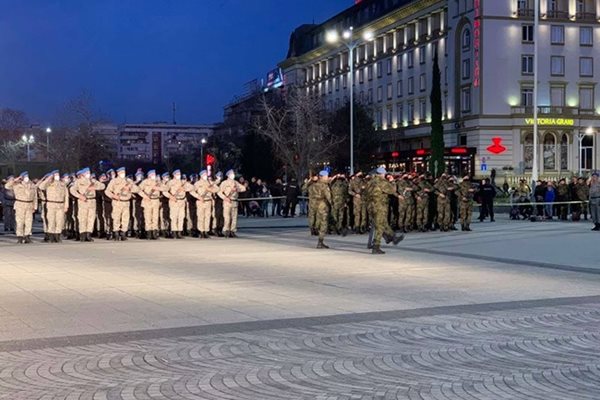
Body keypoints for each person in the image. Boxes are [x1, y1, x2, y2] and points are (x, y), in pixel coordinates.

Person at [366, 167, 404, 254]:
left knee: (383, 223)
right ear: (382, 174)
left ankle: (393, 238)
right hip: (379, 206)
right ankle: (376, 246)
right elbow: (392, 190)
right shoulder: (382, 182)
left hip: (371, 206)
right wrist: (392, 181)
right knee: (380, 226)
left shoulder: (370, 181)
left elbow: (365, 194)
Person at [69, 168, 105, 242]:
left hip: (92, 201)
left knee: (91, 218)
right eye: (87, 173)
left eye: (89, 172)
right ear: (83, 174)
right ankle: (82, 234)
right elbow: (72, 190)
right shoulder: (78, 181)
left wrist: (94, 185)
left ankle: (88, 234)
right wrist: (79, 196)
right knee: (83, 218)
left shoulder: (92, 181)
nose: (89, 174)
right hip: (83, 201)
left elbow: (102, 186)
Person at [4, 172, 37, 244]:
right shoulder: (16, 184)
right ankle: (20, 237)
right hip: (20, 205)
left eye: (27, 176)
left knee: (29, 222)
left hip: (29, 205)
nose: (26, 178)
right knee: (20, 222)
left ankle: (27, 236)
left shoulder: (32, 185)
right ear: (21, 177)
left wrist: (35, 206)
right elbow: (7, 186)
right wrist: (15, 180)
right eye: (24, 176)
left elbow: (35, 197)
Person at [37, 170, 69, 243]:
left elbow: (66, 195)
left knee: (59, 221)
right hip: (51, 204)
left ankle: (57, 236)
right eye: (55, 175)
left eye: (58, 174)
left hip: (60, 204)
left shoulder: (62, 184)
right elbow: (41, 187)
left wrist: (66, 206)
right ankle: (51, 236)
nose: (57, 176)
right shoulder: (49, 183)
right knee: (51, 220)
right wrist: (49, 178)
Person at [164, 170, 193, 239]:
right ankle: (174, 232)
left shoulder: (182, 182)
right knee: (174, 217)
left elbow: (192, 187)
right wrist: (170, 196)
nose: (179, 175)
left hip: (182, 201)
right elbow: (164, 191)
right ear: (174, 175)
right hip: (174, 201)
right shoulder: (170, 182)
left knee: (181, 217)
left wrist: (185, 189)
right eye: (177, 174)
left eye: (179, 174)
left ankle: (179, 232)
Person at [190, 170, 219, 238]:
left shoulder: (209, 182)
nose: (206, 175)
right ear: (201, 175)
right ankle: (201, 231)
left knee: (207, 217)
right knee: (201, 217)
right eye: (204, 174)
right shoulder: (197, 183)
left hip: (208, 201)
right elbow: (192, 191)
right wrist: (198, 197)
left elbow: (217, 189)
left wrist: (211, 189)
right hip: (200, 201)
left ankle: (206, 231)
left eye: (206, 174)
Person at [218, 169, 246, 237]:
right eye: (231, 174)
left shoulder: (235, 182)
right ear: (228, 175)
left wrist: (237, 189)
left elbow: (243, 188)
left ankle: (232, 231)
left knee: (234, 218)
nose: (233, 175)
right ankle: (226, 230)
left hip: (234, 201)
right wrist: (225, 198)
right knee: (227, 217)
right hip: (227, 201)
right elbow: (219, 192)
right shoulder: (224, 183)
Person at [139, 170, 164, 240]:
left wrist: (158, 188)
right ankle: (149, 233)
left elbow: (165, 188)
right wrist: (144, 196)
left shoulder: (158, 182)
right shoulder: (145, 182)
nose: (154, 175)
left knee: (155, 217)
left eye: (154, 174)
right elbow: (138, 190)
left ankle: (154, 233)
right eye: (152, 174)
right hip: (148, 201)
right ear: (149, 175)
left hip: (156, 200)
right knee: (148, 217)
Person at [310, 170, 333, 249]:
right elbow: (329, 197)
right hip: (322, 206)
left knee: (318, 221)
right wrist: (332, 205)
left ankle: (315, 228)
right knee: (324, 224)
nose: (327, 178)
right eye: (326, 177)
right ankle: (320, 242)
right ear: (322, 177)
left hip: (314, 206)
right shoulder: (325, 186)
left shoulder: (313, 185)